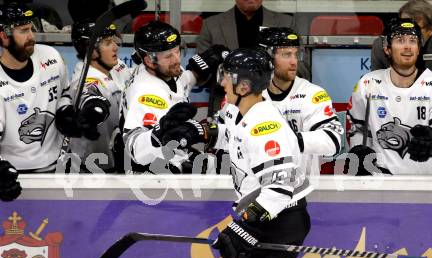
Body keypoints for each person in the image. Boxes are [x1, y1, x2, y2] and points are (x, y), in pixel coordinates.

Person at [159, 48, 312, 258]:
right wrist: (192, 131)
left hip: (279, 220)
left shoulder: (266, 127)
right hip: (268, 220)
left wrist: (245, 228)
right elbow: (224, 129)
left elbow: (278, 190)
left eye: (226, 77)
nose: (221, 83)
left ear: (244, 85)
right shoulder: (239, 110)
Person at [121, 20, 228, 174]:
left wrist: (201, 67)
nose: (177, 59)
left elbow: (182, 81)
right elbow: (137, 149)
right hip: (151, 174)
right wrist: (157, 134)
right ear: (149, 60)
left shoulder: (162, 70)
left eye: (177, 51)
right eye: (168, 56)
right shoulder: (148, 93)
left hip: (173, 155)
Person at [347, 18, 432, 175]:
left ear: (419, 48)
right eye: (400, 40)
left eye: (413, 40)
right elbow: (357, 129)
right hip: (382, 181)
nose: (407, 46)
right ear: (387, 48)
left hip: (430, 182)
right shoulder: (368, 84)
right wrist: (357, 151)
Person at [257, 27, 344, 176]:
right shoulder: (251, 94)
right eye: (286, 55)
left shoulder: (312, 94)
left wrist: (287, 140)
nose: (294, 62)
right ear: (267, 58)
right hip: (259, 187)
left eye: (296, 54)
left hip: (302, 188)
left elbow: (332, 141)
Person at [0, 2, 71, 174]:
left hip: (57, 165)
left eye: (31, 29)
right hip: (13, 173)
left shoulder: (51, 57)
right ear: (4, 36)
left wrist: (65, 110)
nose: (32, 37)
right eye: (23, 31)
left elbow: (64, 93)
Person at [66, 21, 129, 173]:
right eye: (108, 43)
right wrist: (93, 108)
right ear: (91, 50)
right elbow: (88, 95)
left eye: (114, 40)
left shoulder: (115, 66)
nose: (115, 47)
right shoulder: (85, 82)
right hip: (92, 170)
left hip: (116, 161)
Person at [196, 0, 310, 80]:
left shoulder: (287, 23)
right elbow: (202, 72)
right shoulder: (211, 25)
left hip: (275, 103)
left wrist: (274, 70)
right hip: (226, 101)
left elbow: (302, 69)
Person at [371, 0, 432, 74]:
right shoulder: (382, 45)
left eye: (416, 29)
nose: (407, 33)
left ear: (431, 30)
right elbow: (376, 83)